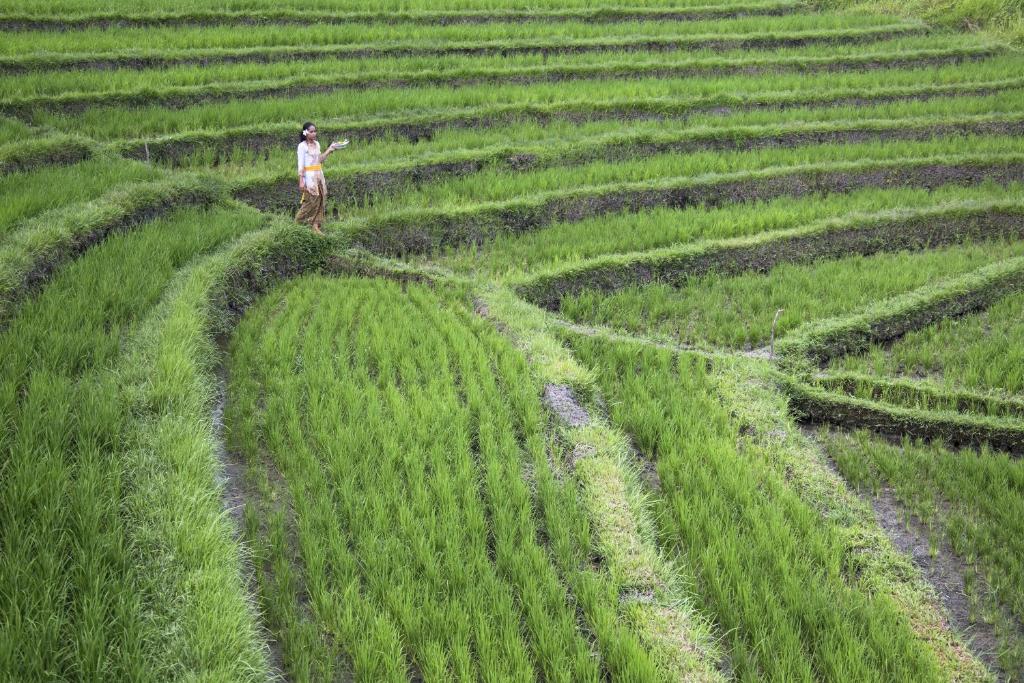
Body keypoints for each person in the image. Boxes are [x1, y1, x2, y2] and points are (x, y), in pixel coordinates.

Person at [295, 121, 348, 234]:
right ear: (305, 133)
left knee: (321, 199)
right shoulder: (302, 146)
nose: (314, 133)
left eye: (315, 131)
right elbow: (301, 164)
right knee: (310, 201)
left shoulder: (317, 144)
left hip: (318, 175)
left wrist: (330, 149)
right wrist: (301, 180)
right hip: (309, 177)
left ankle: (315, 224)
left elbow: (320, 160)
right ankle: (298, 222)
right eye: (311, 131)